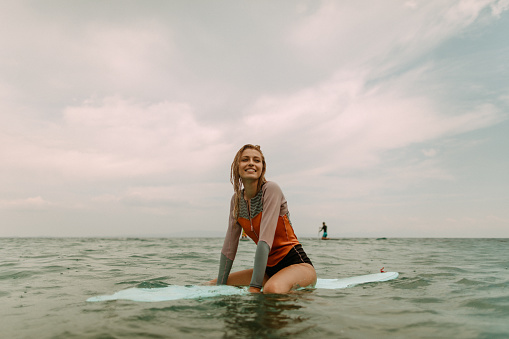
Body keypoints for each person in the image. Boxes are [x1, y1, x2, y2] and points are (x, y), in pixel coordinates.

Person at [209, 144, 316, 293]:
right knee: (212, 285)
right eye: (245, 159)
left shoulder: (271, 190)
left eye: (256, 160)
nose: (251, 163)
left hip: (297, 265)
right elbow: (229, 245)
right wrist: (219, 288)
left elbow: (265, 239)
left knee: (272, 289)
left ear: (262, 167)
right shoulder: (236, 200)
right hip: (268, 270)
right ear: (237, 167)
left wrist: (254, 287)